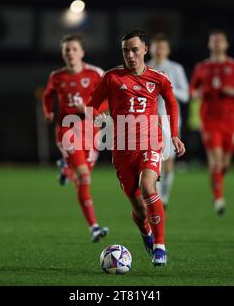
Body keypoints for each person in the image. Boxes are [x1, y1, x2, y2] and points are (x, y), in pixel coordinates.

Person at [87, 29, 186, 266]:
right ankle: (146, 233)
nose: (130, 55)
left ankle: (160, 248)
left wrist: (174, 135)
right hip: (122, 149)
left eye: (134, 50)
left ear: (145, 50)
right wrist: (99, 119)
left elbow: (172, 103)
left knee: (148, 185)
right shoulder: (112, 78)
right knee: (140, 210)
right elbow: (92, 106)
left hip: (151, 143)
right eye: (125, 51)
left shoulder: (159, 78)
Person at [42, 33, 109, 242]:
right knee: (84, 177)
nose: (70, 53)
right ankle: (94, 227)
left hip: (92, 133)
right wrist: (48, 112)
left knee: (81, 181)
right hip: (68, 132)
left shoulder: (96, 74)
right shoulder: (57, 76)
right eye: (66, 50)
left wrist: (90, 110)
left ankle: (64, 167)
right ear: (63, 54)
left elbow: (108, 102)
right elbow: (47, 96)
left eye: (74, 49)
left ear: (82, 52)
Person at [189, 29, 234, 216]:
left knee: (225, 164)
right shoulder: (201, 67)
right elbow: (191, 90)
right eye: (214, 41)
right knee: (216, 161)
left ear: (226, 44)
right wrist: (196, 93)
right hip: (209, 119)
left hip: (230, 120)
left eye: (220, 41)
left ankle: (216, 185)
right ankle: (218, 198)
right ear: (209, 45)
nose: (217, 43)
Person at [147, 33, 189, 210]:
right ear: (149, 49)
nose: (159, 51)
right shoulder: (145, 67)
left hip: (168, 120)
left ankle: (164, 197)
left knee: (168, 161)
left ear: (168, 50)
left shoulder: (175, 68)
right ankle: (155, 197)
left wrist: (167, 86)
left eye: (162, 47)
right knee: (151, 160)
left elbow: (185, 95)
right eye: (156, 47)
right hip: (147, 120)